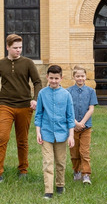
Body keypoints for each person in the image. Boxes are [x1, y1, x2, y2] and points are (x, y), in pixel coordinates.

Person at [0, 34, 43, 183]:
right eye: (15, 48)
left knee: (22, 140)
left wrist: (35, 100)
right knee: (2, 137)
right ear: (7, 47)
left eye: (20, 47)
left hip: (24, 107)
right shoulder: (0, 64)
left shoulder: (28, 63)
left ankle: (23, 170)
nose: (18, 50)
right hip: (5, 106)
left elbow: (37, 82)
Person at [35, 65, 75, 200]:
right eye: (51, 78)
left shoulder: (66, 95)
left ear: (61, 78)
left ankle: (60, 185)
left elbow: (70, 116)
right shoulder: (42, 93)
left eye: (56, 78)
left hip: (62, 134)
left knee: (61, 162)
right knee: (47, 162)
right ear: (47, 77)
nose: (53, 81)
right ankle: (48, 191)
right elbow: (38, 114)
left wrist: (71, 135)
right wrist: (38, 132)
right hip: (46, 133)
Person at [67, 66, 98, 185]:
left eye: (82, 76)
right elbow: (67, 110)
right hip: (72, 127)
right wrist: (75, 123)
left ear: (86, 76)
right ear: (74, 77)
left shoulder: (91, 91)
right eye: (77, 76)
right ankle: (77, 171)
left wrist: (82, 123)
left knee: (84, 151)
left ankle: (86, 174)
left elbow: (91, 109)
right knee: (74, 152)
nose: (80, 78)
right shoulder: (68, 92)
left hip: (86, 127)